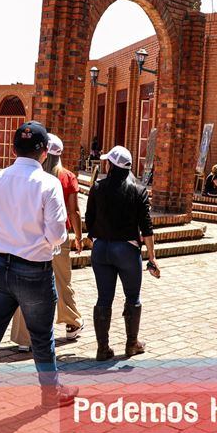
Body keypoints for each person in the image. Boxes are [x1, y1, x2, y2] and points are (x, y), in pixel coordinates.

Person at [0, 121, 78, 427]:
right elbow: (57, 233)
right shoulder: (48, 184)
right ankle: (49, 391)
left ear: (13, 149)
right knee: (41, 336)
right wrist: (42, 241)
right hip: (33, 269)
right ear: (44, 153)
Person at [10, 133, 84, 351]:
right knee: (62, 282)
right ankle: (72, 323)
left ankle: (25, 338)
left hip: (31, 237)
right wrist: (79, 236)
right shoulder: (67, 177)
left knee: (26, 286)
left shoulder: (31, 176)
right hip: (58, 239)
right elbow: (74, 211)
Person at [85, 145, 158, 361]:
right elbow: (147, 228)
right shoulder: (138, 190)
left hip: (101, 250)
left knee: (103, 298)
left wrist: (95, 237)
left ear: (111, 165)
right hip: (126, 249)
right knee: (132, 297)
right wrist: (152, 257)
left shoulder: (97, 187)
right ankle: (131, 343)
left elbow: (89, 219)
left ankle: (102, 348)